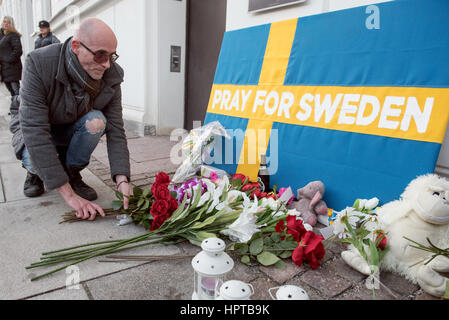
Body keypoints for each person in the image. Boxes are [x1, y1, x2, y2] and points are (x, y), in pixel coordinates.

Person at [9, 18, 132, 221]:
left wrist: (122, 180)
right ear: (76, 46)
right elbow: (34, 130)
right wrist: (70, 196)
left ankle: (72, 172)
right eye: (101, 55)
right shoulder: (39, 62)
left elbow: (116, 130)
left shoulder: (112, 75)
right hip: (37, 130)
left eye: (112, 56)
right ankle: (35, 173)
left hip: (70, 127)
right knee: (34, 158)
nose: (107, 64)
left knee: (97, 120)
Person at [0, 16, 22, 98]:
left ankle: (20, 109)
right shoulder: (3, 36)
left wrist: (8, 60)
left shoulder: (13, 35)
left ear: (11, 24)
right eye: (4, 21)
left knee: (16, 91)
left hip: (12, 68)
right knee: (11, 91)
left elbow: (18, 50)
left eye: (8, 22)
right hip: (4, 68)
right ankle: (15, 109)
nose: (6, 24)